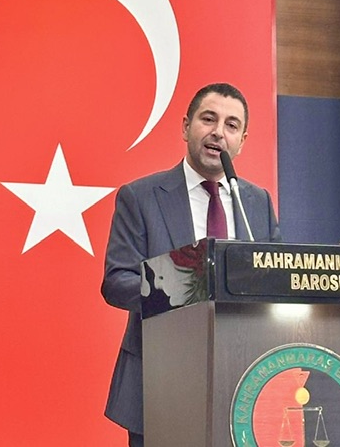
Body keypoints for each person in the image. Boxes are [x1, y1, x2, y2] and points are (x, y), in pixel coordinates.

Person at [101, 82, 281, 446]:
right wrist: (184, 287)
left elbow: (276, 278)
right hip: (160, 378)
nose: (218, 132)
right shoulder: (141, 197)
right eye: (208, 119)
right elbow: (117, 281)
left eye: (231, 125)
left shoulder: (256, 202)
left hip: (241, 377)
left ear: (242, 141)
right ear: (186, 127)